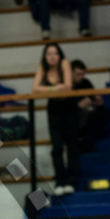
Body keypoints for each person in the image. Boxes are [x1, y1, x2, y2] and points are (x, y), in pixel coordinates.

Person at [33, 42, 80, 196]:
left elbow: (67, 87)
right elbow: (35, 88)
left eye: (55, 54)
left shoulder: (65, 63)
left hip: (69, 106)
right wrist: (53, 89)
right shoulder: (43, 66)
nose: (52, 57)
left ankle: (71, 180)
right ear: (45, 56)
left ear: (60, 55)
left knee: (72, 145)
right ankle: (60, 180)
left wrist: (48, 90)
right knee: (57, 147)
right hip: (54, 108)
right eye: (49, 54)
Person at [71, 59, 110, 151]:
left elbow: (96, 96)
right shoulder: (67, 86)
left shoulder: (85, 82)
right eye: (78, 75)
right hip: (74, 117)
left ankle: (87, 143)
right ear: (71, 73)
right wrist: (79, 105)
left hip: (88, 114)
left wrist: (97, 101)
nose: (81, 77)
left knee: (104, 113)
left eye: (82, 74)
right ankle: (83, 144)